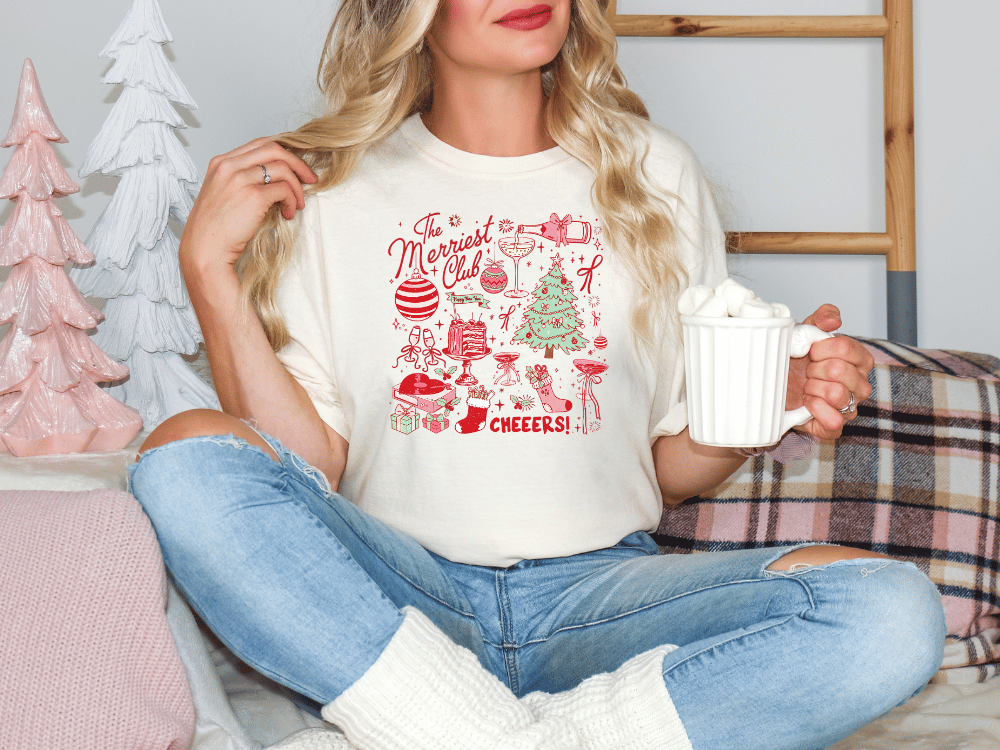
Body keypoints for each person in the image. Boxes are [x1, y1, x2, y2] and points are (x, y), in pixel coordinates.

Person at [130, 1, 946, 748]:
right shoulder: (336, 192)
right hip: (405, 601)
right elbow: (312, 467)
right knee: (183, 453)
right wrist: (208, 270)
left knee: (892, 614)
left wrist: (768, 407)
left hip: (601, 602)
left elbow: (668, 471)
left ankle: (472, 734)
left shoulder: (654, 175)